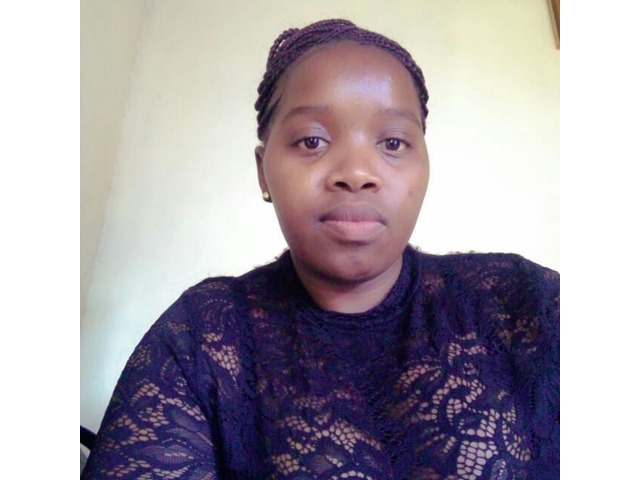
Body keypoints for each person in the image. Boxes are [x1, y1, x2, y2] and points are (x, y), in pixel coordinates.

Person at [82, 19, 559, 479]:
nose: (357, 172)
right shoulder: (203, 336)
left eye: (394, 142)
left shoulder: (523, 302)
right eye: (312, 140)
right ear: (263, 171)